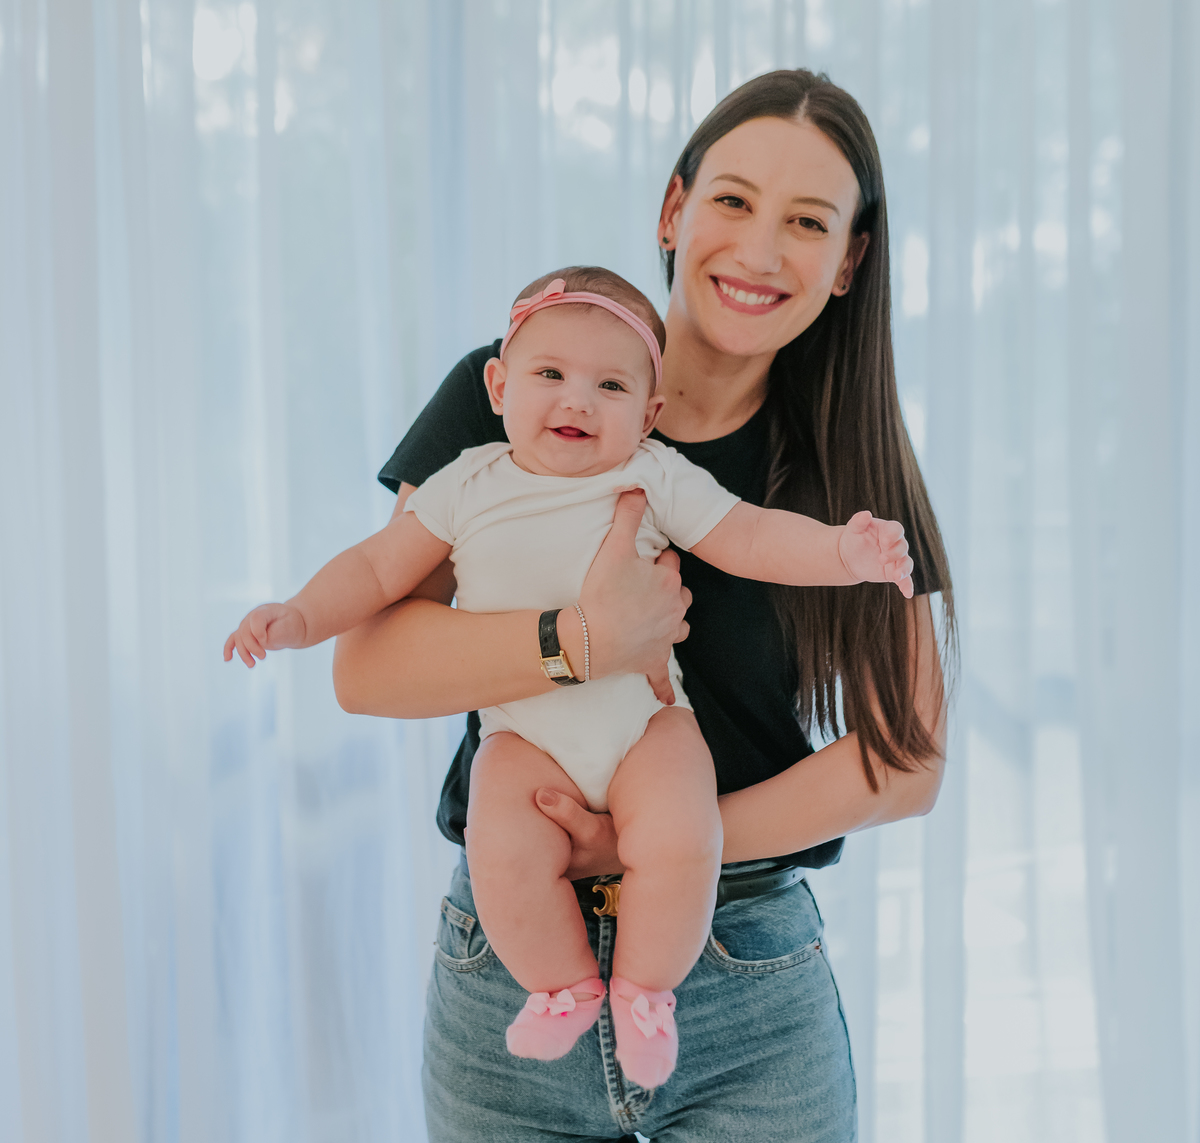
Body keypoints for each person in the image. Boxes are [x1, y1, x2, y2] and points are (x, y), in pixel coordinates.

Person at [333, 69, 955, 1143]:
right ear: (674, 209)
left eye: (809, 221)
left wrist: (658, 837)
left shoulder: (847, 464)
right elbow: (368, 665)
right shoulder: (526, 385)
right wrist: (579, 639)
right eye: (733, 198)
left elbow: (906, 760)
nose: (760, 246)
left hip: (743, 993)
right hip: (510, 978)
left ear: (849, 262)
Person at [224, 264, 914, 1090]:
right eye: (550, 374)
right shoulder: (466, 483)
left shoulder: (653, 473)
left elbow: (752, 538)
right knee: (502, 847)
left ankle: (647, 993)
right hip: (524, 734)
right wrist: (299, 616)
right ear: (498, 386)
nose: (577, 401)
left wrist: (844, 552)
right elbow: (375, 569)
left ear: (648, 414)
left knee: (681, 832)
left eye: (611, 385)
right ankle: (562, 987)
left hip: (645, 723)